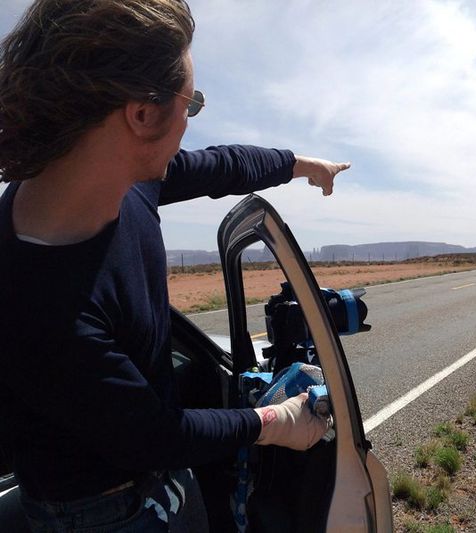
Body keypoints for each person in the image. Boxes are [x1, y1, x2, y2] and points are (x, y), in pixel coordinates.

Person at [0, 0, 349, 530]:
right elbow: (151, 435)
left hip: (155, 474)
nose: (190, 121)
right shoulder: (37, 301)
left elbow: (220, 166)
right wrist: (276, 421)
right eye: (194, 101)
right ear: (141, 114)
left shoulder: (123, 179)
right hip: (104, 512)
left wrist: (301, 165)